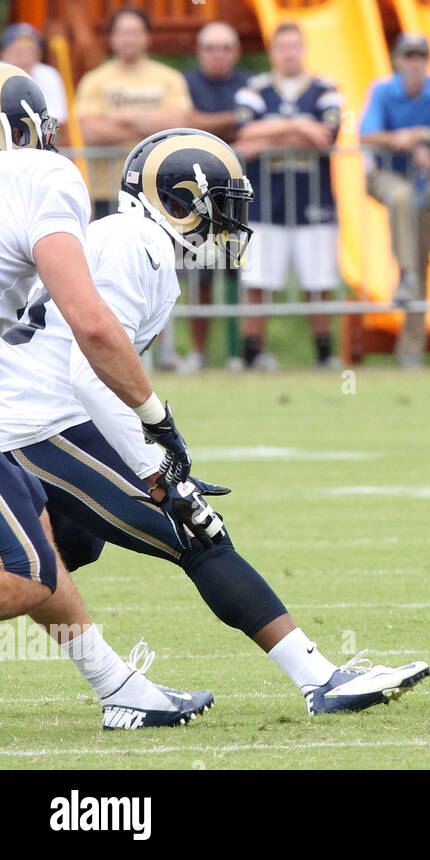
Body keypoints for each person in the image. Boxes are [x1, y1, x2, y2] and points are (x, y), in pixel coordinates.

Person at [3, 126, 430, 717]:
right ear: (177, 202)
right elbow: (86, 372)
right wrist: (161, 467)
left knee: (66, 550)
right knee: (196, 532)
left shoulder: (134, 244)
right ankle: (319, 679)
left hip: (38, 414)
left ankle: (121, 694)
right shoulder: (137, 245)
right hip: (35, 419)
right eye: (221, 205)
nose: (230, 222)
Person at [0, 63, 209, 729]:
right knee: (26, 569)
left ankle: (117, 685)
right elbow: (91, 322)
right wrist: (158, 422)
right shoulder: (39, 175)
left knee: (37, 538)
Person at [233, 22, 343, 371]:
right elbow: (246, 133)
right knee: (258, 280)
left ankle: (324, 354)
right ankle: (252, 353)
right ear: (273, 51)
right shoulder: (255, 88)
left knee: (318, 280)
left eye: (295, 46)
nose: (289, 53)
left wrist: (273, 133)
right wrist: (299, 126)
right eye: (283, 47)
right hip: (266, 200)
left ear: (303, 48)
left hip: (314, 201)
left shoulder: (326, 88)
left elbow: (325, 136)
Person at [359, 32, 430, 369]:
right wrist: (398, 140)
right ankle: (404, 273)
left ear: (426, 60)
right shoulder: (383, 89)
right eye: (409, 56)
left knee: (423, 260)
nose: (415, 62)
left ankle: (411, 349)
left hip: (427, 185)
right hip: (385, 176)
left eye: (421, 56)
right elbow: (366, 134)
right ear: (398, 60)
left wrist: (420, 136)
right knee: (401, 198)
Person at [176, 21, 251, 373]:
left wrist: (212, 125)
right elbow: (188, 122)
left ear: (235, 51)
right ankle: (200, 352)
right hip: (198, 196)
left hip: (239, 197)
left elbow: (254, 124)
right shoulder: (186, 83)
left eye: (225, 47)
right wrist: (236, 121)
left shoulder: (248, 83)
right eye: (211, 47)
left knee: (235, 270)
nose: (218, 54)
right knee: (200, 273)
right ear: (199, 51)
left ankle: (238, 351)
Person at [73, 6, 192, 220]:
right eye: (123, 32)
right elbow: (92, 132)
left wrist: (122, 117)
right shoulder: (94, 80)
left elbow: (179, 122)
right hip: (109, 192)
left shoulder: (170, 78)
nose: (129, 39)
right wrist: (154, 129)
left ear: (147, 37)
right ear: (112, 38)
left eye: (135, 32)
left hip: (162, 189)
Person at [1, 23, 66, 127]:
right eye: (18, 53)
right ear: (3, 54)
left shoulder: (48, 75)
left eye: (32, 52)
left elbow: (57, 119)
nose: (25, 59)